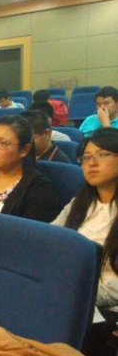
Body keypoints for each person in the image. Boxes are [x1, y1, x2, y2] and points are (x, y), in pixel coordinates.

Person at [51, 128, 118, 314]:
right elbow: (51, 241)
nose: (92, 163)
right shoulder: (79, 203)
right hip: (69, 295)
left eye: (102, 155)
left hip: (106, 308)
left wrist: (79, 295)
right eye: (86, 157)